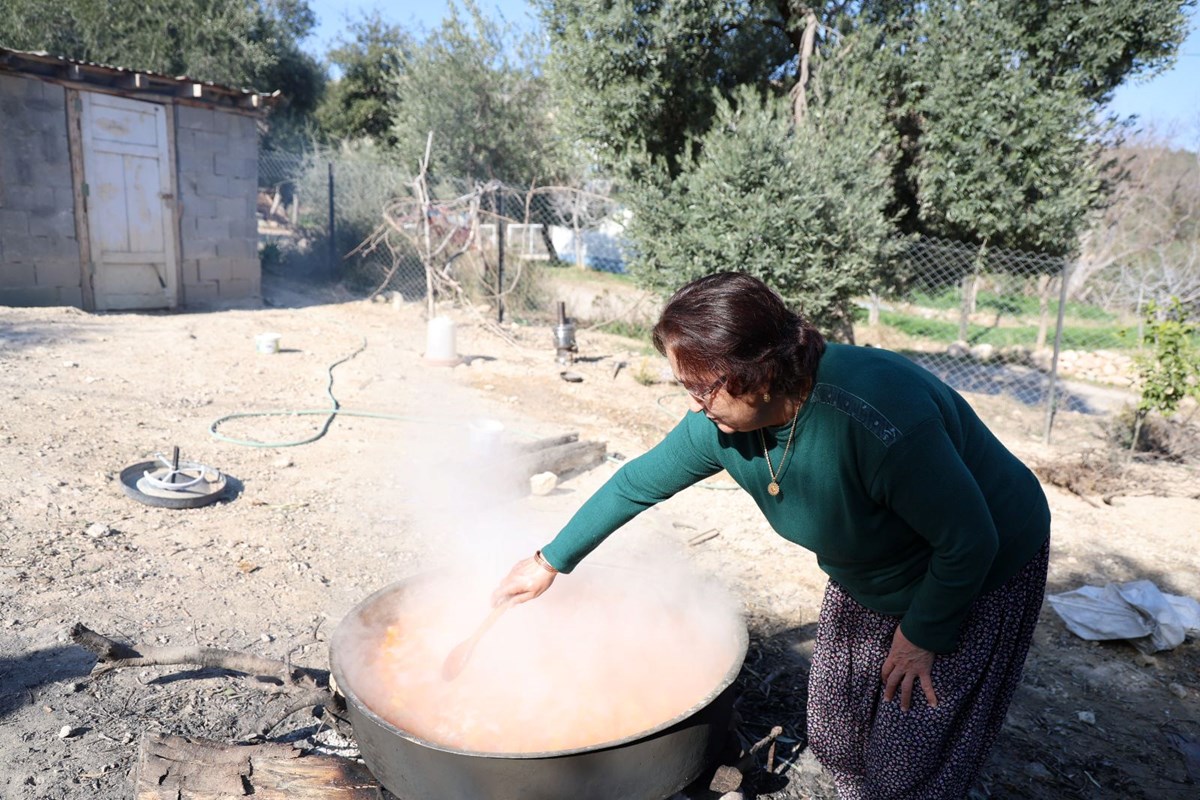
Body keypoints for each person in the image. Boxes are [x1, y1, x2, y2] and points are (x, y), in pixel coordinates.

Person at [493, 272, 1050, 799]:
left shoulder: (878, 420)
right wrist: (548, 561)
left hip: (978, 567)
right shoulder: (723, 422)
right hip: (871, 568)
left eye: (701, 387)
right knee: (836, 732)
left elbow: (970, 539)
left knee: (908, 757)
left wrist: (922, 634)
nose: (692, 403)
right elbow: (638, 482)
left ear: (758, 372)